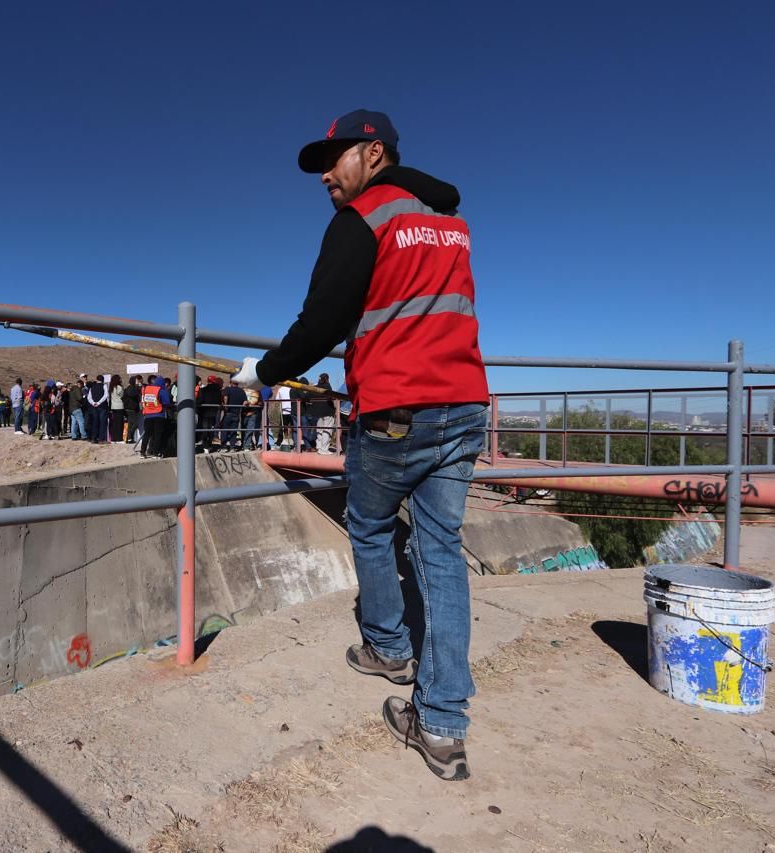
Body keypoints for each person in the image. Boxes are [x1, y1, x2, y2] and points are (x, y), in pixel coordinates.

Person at [232, 109, 488, 781]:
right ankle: (442, 725)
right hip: (464, 404)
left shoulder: (363, 218)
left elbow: (321, 321)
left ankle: (388, 648)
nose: (324, 175)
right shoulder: (450, 221)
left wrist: (262, 371)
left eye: (333, 158)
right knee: (441, 550)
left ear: (373, 153)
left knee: (370, 523)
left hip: (398, 410)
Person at [139, 374, 170, 457]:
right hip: (158, 414)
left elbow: (143, 400)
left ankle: (142, 452)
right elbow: (166, 402)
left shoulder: (146, 389)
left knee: (147, 434)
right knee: (157, 435)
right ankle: (155, 453)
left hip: (147, 415)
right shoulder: (161, 390)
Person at [221, 379, 248, 451]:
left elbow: (225, 397)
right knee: (233, 430)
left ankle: (224, 447)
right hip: (236, 414)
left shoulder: (228, 389)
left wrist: (226, 406)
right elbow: (245, 402)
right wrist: (241, 407)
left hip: (228, 412)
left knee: (224, 429)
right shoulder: (241, 391)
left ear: (231, 382)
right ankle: (232, 447)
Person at [197, 375, 222, 452]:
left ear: (208, 381)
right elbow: (219, 401)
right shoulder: (218, 391)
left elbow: (200, 400)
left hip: (204, 412)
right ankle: (209, 444)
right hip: (214, 412)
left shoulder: (203, 390)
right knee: (211, 428)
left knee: (205, 428)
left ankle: (205, 446)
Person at [315, 373, 337, 453]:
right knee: (327, 430)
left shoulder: (316, 387)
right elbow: (331, 397)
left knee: (319, 430)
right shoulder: (328, 386)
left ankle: (319, 447)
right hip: (328, 411)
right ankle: (324, 449)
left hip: (318, 411)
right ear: (327, 379)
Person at [85, 374, 109, 444]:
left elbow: (89, 397)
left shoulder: (92, 387)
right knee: (102, 423)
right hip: (102, 406)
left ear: (97, 379)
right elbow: (106, 395)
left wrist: (93, 403)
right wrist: (99, 402)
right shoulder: (104, 386)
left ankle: (94, 438)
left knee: (95, 422)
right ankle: (101, 439)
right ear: (103, 380)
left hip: (94, 407)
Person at [123, 376, 142, 443]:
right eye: (136, 380)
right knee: (135, 423)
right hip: (131, 408)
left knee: (130, 424)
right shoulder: (131, 388)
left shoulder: (131, 388)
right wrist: (139, 387)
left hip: (130, 408)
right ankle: (130, 436)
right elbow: (133, 394)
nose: (137, 382)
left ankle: (129, 439)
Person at [108, 374, 125, 443]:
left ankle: (113, 438)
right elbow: (122, 396)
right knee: (120, 424)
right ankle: (119, 438)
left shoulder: (111, 387)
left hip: (113, 407)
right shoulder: (119, 387)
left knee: (114, 424)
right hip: (119, 407)